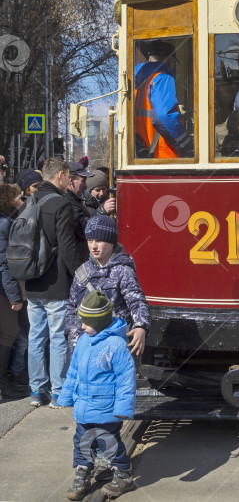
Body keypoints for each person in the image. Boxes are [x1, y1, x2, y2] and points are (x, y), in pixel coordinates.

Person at [58, 291, 136, 500]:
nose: (82, 326)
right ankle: (83, 473)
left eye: (87, 322)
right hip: (84, 408)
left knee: (108, 442)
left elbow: (126, 380)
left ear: (100, 322)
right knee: (82, 441)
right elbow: (73, 371)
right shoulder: (84, 340)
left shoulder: (117, 346)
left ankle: (123, 474)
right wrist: (65, 397)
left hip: (106, 409)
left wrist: (123, 409)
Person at [25, 157, 81, 408]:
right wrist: (81, 276)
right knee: (58, 337)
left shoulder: (30, 201)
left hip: (31, 281)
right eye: (69, 176)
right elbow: (67, 246)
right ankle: (58, 392)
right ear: (60, 175)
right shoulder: (61, 203)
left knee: (36, 337)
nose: (70, 181)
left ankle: (37, 391)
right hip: (56, 281)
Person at [65, 215, 150, 357]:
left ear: (111, 242)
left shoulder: (123, 270)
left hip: (112, 347)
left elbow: (137, 301)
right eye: (90, 240)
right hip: (84, 346)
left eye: (99, 241)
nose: (93, 246)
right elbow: (72, 308)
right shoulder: (82, 271)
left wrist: (141, 326)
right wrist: (74, 341)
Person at [134, 38, 193, 158]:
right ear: (170, 60)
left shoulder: (137, 83)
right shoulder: (162, 77)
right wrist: (186, 144)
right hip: (164, 155)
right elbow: (164, 116)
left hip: (145, 152)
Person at [0, 183, 28, 399]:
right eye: (18, 198)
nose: (22, 201)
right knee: (8, 334)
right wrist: (15, 297)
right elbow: (4, 263)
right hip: (4, 290)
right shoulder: (4, 224)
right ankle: (4, 384)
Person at [66, 161, 95, 264]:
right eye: (83, 181)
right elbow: (83, 228)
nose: (85, 186)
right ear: (71, 180)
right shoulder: (68, 203)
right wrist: (102, 212)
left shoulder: (75, 200)